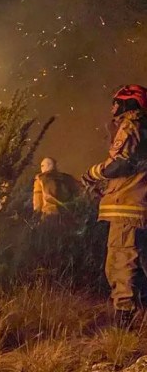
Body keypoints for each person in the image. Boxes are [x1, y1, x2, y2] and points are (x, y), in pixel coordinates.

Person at [82, 84, 147, 328]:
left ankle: (125, 328)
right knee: (140, 265)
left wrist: (93, 173)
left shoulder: (131, 127)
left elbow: (121, 164)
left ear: (129, 104)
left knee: (121, 265)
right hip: (140, 207)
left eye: (117, 102)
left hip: (128, 208)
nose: (113, 107)